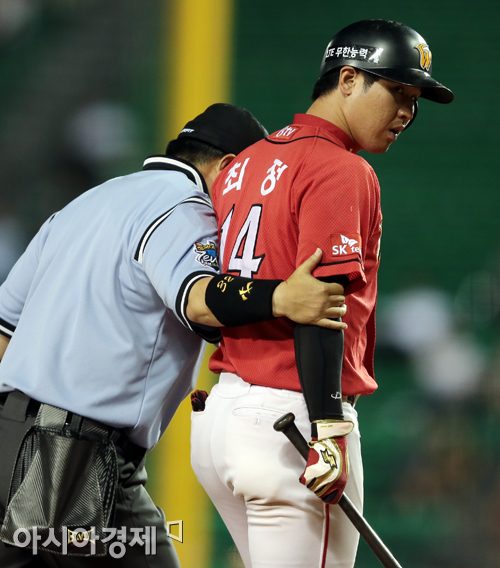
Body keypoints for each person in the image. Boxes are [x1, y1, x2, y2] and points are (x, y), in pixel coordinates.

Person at [0, 103, 348, 568]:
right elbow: (197, 298)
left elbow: (4, 329)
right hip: (73, 458)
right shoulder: (188, 209)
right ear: (229, 166)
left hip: (9, 436)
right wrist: (280, 297)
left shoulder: (86, 202)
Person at [190, 20, 454, 568]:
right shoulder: (341, 168)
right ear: (349, 79)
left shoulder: (246, 162)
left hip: (223, 417)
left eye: (415, 100)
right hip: (293, 419)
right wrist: (328, 427)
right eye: (397, 91)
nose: (407, 111)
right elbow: (320, 306)